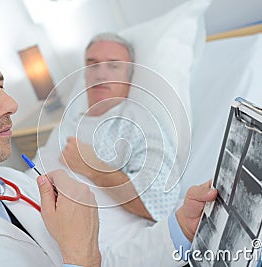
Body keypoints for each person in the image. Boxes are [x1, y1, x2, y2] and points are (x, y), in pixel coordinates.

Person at [0, 13, 217, 267]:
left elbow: (101, 258)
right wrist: (79, 258)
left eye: (0, 85)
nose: (10, 104)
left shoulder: (13, 185)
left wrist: (180, 230)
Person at [34, 32, 182, 222]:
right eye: (93, 64)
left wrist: (94, 168)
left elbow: (159, 200)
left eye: (113, 65)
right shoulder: (70, 121)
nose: (100, 74)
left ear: (128, 78)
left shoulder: (140, 122)